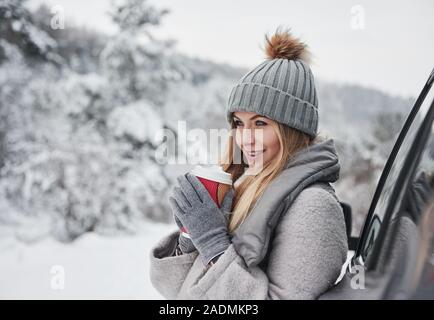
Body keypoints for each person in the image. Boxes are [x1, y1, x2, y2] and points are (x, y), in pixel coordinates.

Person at [149, 27, 348, 300]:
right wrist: (190, 238)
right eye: (239, 124)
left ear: (293, 129)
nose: (245, 138)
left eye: (260, 123)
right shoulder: (245, 185)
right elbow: (182, 293)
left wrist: (215, 245)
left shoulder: (313, 207)